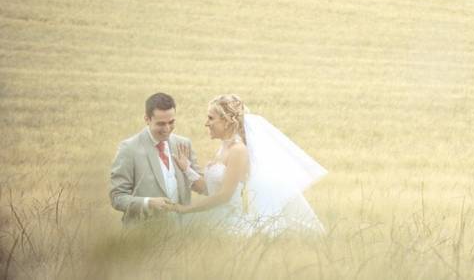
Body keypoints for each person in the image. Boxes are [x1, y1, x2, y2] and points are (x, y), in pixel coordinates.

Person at [166, 94, 327, 236]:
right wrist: (187, 169)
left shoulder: (238, 150)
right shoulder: (224, 147)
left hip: (228, 221)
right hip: (217, 214)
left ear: (227, 121)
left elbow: (224, 196)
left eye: (211, 118)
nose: (206, 123)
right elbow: (210, 189)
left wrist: (186, 209)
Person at [109, 92, 203, 224]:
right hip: (143, 232)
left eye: (171, 122)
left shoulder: (184, 144)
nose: (167, 129)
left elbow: (202, 188)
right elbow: (117, 198)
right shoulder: (128, 149)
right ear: (147, 119)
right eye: (161, 124)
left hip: (182, 231)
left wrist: (188, 170)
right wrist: (148, 203)